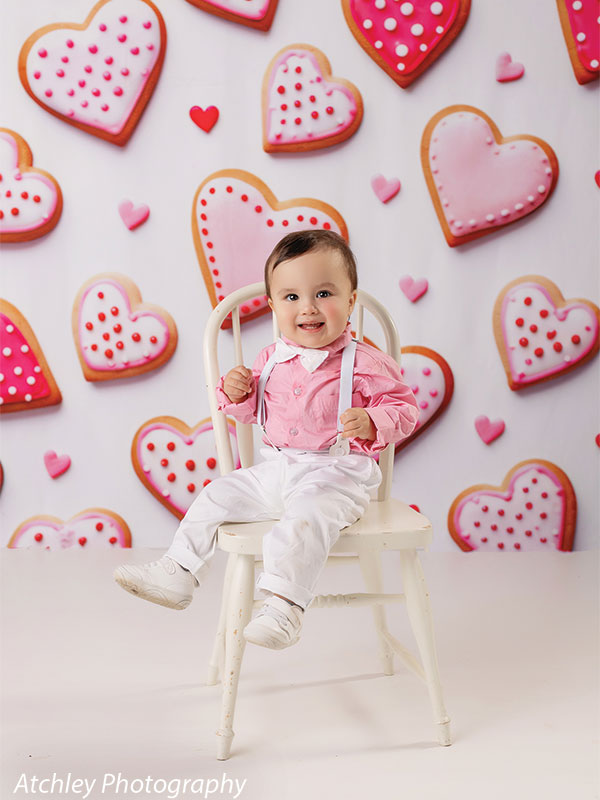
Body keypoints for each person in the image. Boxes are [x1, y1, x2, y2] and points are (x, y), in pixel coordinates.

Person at [114, 230, 419, 649]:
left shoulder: (367, 362)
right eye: (291, 297)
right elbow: (249, 413)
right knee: (216, 495)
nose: (308, 307)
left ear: (351, 301)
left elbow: (405, 410)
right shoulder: (270, 358)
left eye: (324, 293)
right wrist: (238, 391)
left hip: (336, 474)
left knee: (303, 522)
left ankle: (284, 606)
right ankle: (179, 571)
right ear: (274, 306)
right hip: (276, 469)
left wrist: (372, 420)